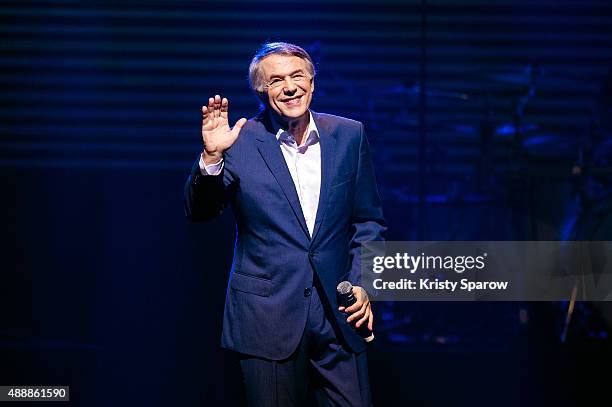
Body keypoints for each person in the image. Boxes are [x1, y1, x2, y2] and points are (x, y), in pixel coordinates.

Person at [184, 42, 386, 406]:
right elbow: (200, 210)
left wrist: (363, 284)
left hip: (338, 318)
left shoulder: (349, 135)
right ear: (261, 91)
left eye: (297, 76)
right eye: (276, 80)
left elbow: (368, 221)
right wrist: (212, 157)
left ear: (312, 82)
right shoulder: (239, 141)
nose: (290, 87)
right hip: (267, 316)